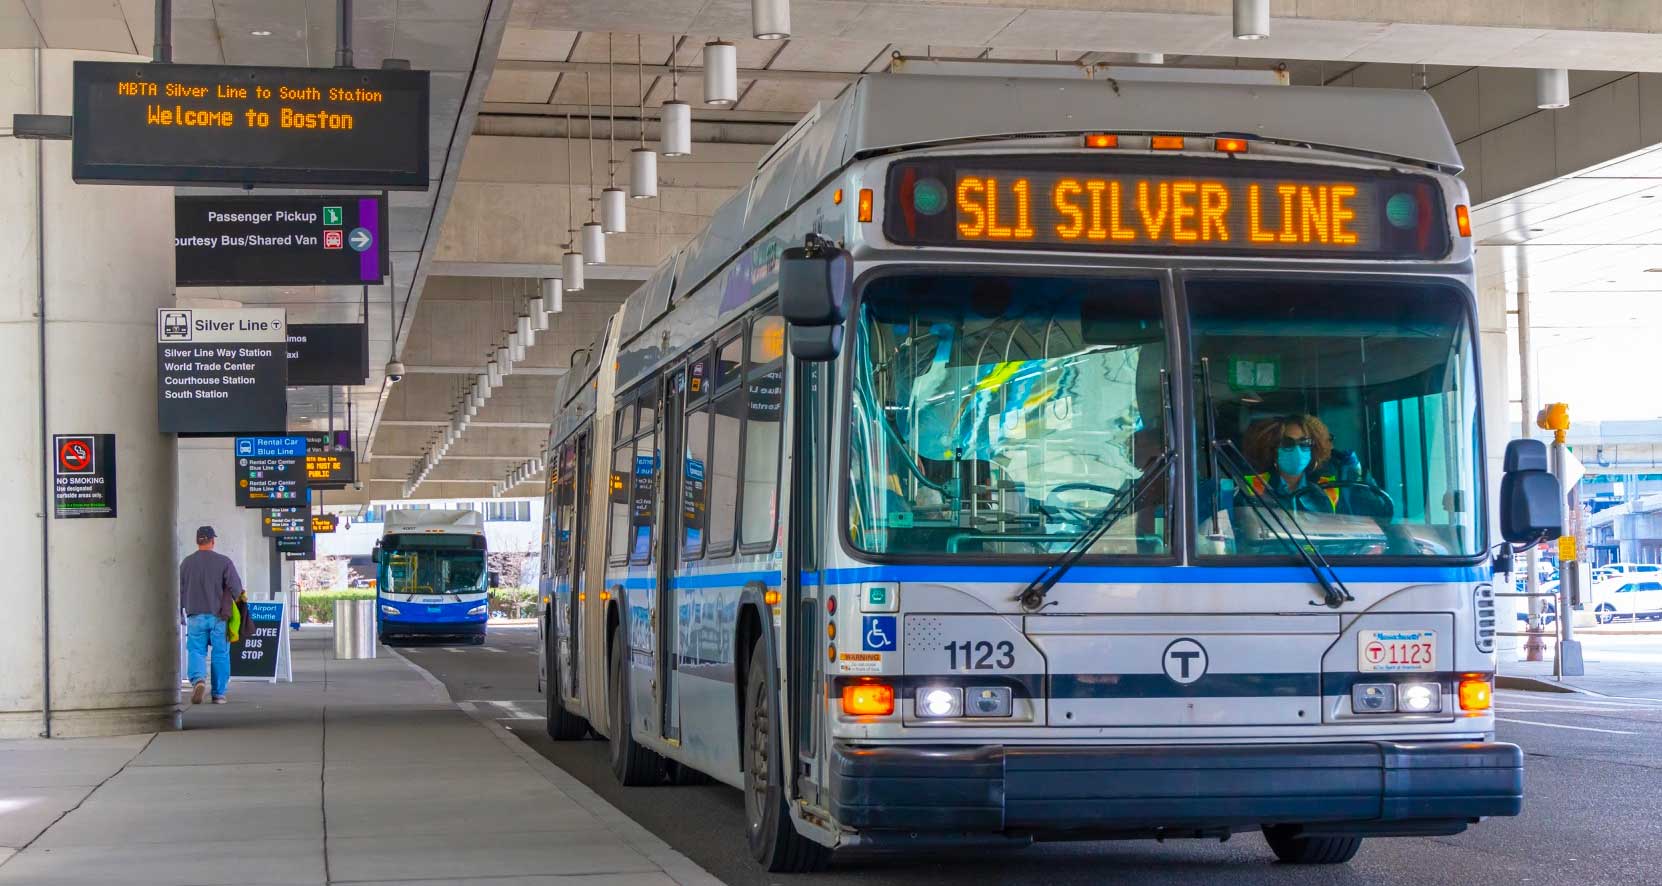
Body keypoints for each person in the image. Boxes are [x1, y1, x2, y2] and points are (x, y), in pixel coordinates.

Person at [1240, 413, 1388, 518]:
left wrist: (1357, 476)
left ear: (1314, 447)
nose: (1297, 451)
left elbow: (1379, 514)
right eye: (1287, 443)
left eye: (1304, 443)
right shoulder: (1252, 485)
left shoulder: (1335, 481)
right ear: (1272, 448)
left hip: (1330, 557)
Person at [179, 525, 243, 705]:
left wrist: (180, 612)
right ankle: (219, 694)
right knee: (220, 654)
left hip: (194, 615)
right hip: (219, 616)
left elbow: (179, 590)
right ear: (212, 541)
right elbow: (236, 589)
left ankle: (198, 680)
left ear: (197, 541)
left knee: (196, 651)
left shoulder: (186, 563)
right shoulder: (224, 562)